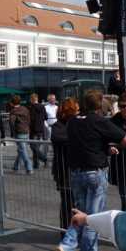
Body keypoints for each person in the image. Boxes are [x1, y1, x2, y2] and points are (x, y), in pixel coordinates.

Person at [54, 90, 126, 251]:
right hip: (95, 173)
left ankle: (66, 248)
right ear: (99, 105)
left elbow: (86, 142)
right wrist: (113, 145)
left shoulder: (73, 122)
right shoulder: (99, 121)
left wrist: (104, 146)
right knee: (92, 218)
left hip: (76, 173)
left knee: (79, 215)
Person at [50, 97, 78, 232]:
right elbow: (58, 138)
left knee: (76, 203)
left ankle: (75, 231)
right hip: (64, 171)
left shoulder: (76, 124)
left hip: (75, 169)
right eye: (76, 110)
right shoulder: (58, 126)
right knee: (67, 203)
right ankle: (66, 232)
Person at [9, 95, 32, 174]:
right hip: (26, 131)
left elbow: (12, 123)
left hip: (19, 132)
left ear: (12, 103)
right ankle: (16, 166)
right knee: (21, 150)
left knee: (22, 150)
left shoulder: (13, 111)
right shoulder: (25, 109)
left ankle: (29, 167)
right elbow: (29, 120)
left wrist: (12, 133)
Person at [28, 93, 48, 170]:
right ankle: (36, 164)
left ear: (31, 99)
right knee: (36, 147)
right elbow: (46, 117)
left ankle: (44, 158)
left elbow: (31, 119)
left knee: (33, 147)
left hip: (34, 130)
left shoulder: (31, 107)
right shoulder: (42, 107)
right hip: (41, 129)